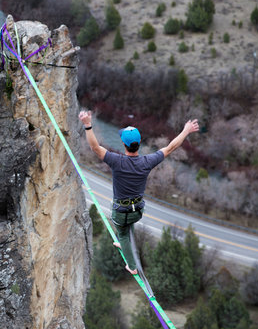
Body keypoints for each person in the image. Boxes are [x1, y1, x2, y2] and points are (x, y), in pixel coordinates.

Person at [79, 110, 199, 275]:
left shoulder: (117, 161)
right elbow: (171, 148)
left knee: (122, 232)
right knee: (128, 225)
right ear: (139, 142)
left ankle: (132, 266)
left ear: (123, 144)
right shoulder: (147, 161)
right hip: (138, 210)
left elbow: (94, 147)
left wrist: (87, 125)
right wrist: (186, 130)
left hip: (121, 212)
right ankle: (126, 243)